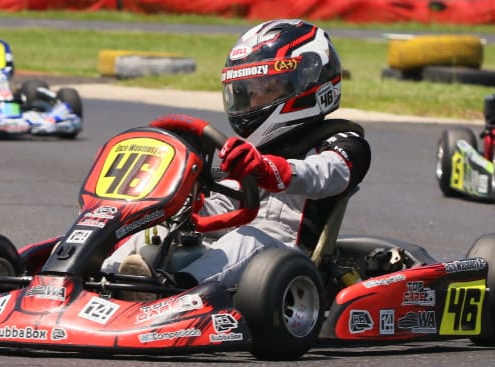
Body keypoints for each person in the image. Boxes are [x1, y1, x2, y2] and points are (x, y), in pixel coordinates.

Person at [104, 19, 371, 291]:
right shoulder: (257, 150)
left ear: (307, 82)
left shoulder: (344, 141)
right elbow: (231, 205)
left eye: (268, 89)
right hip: (234, 248)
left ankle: (173, 293)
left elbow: (325, 175)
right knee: (157, 229)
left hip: (287, 258)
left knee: (247, 238)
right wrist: (186, 201)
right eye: (250, 92)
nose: (255, 101)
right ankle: (102, 280)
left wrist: (268, 170)